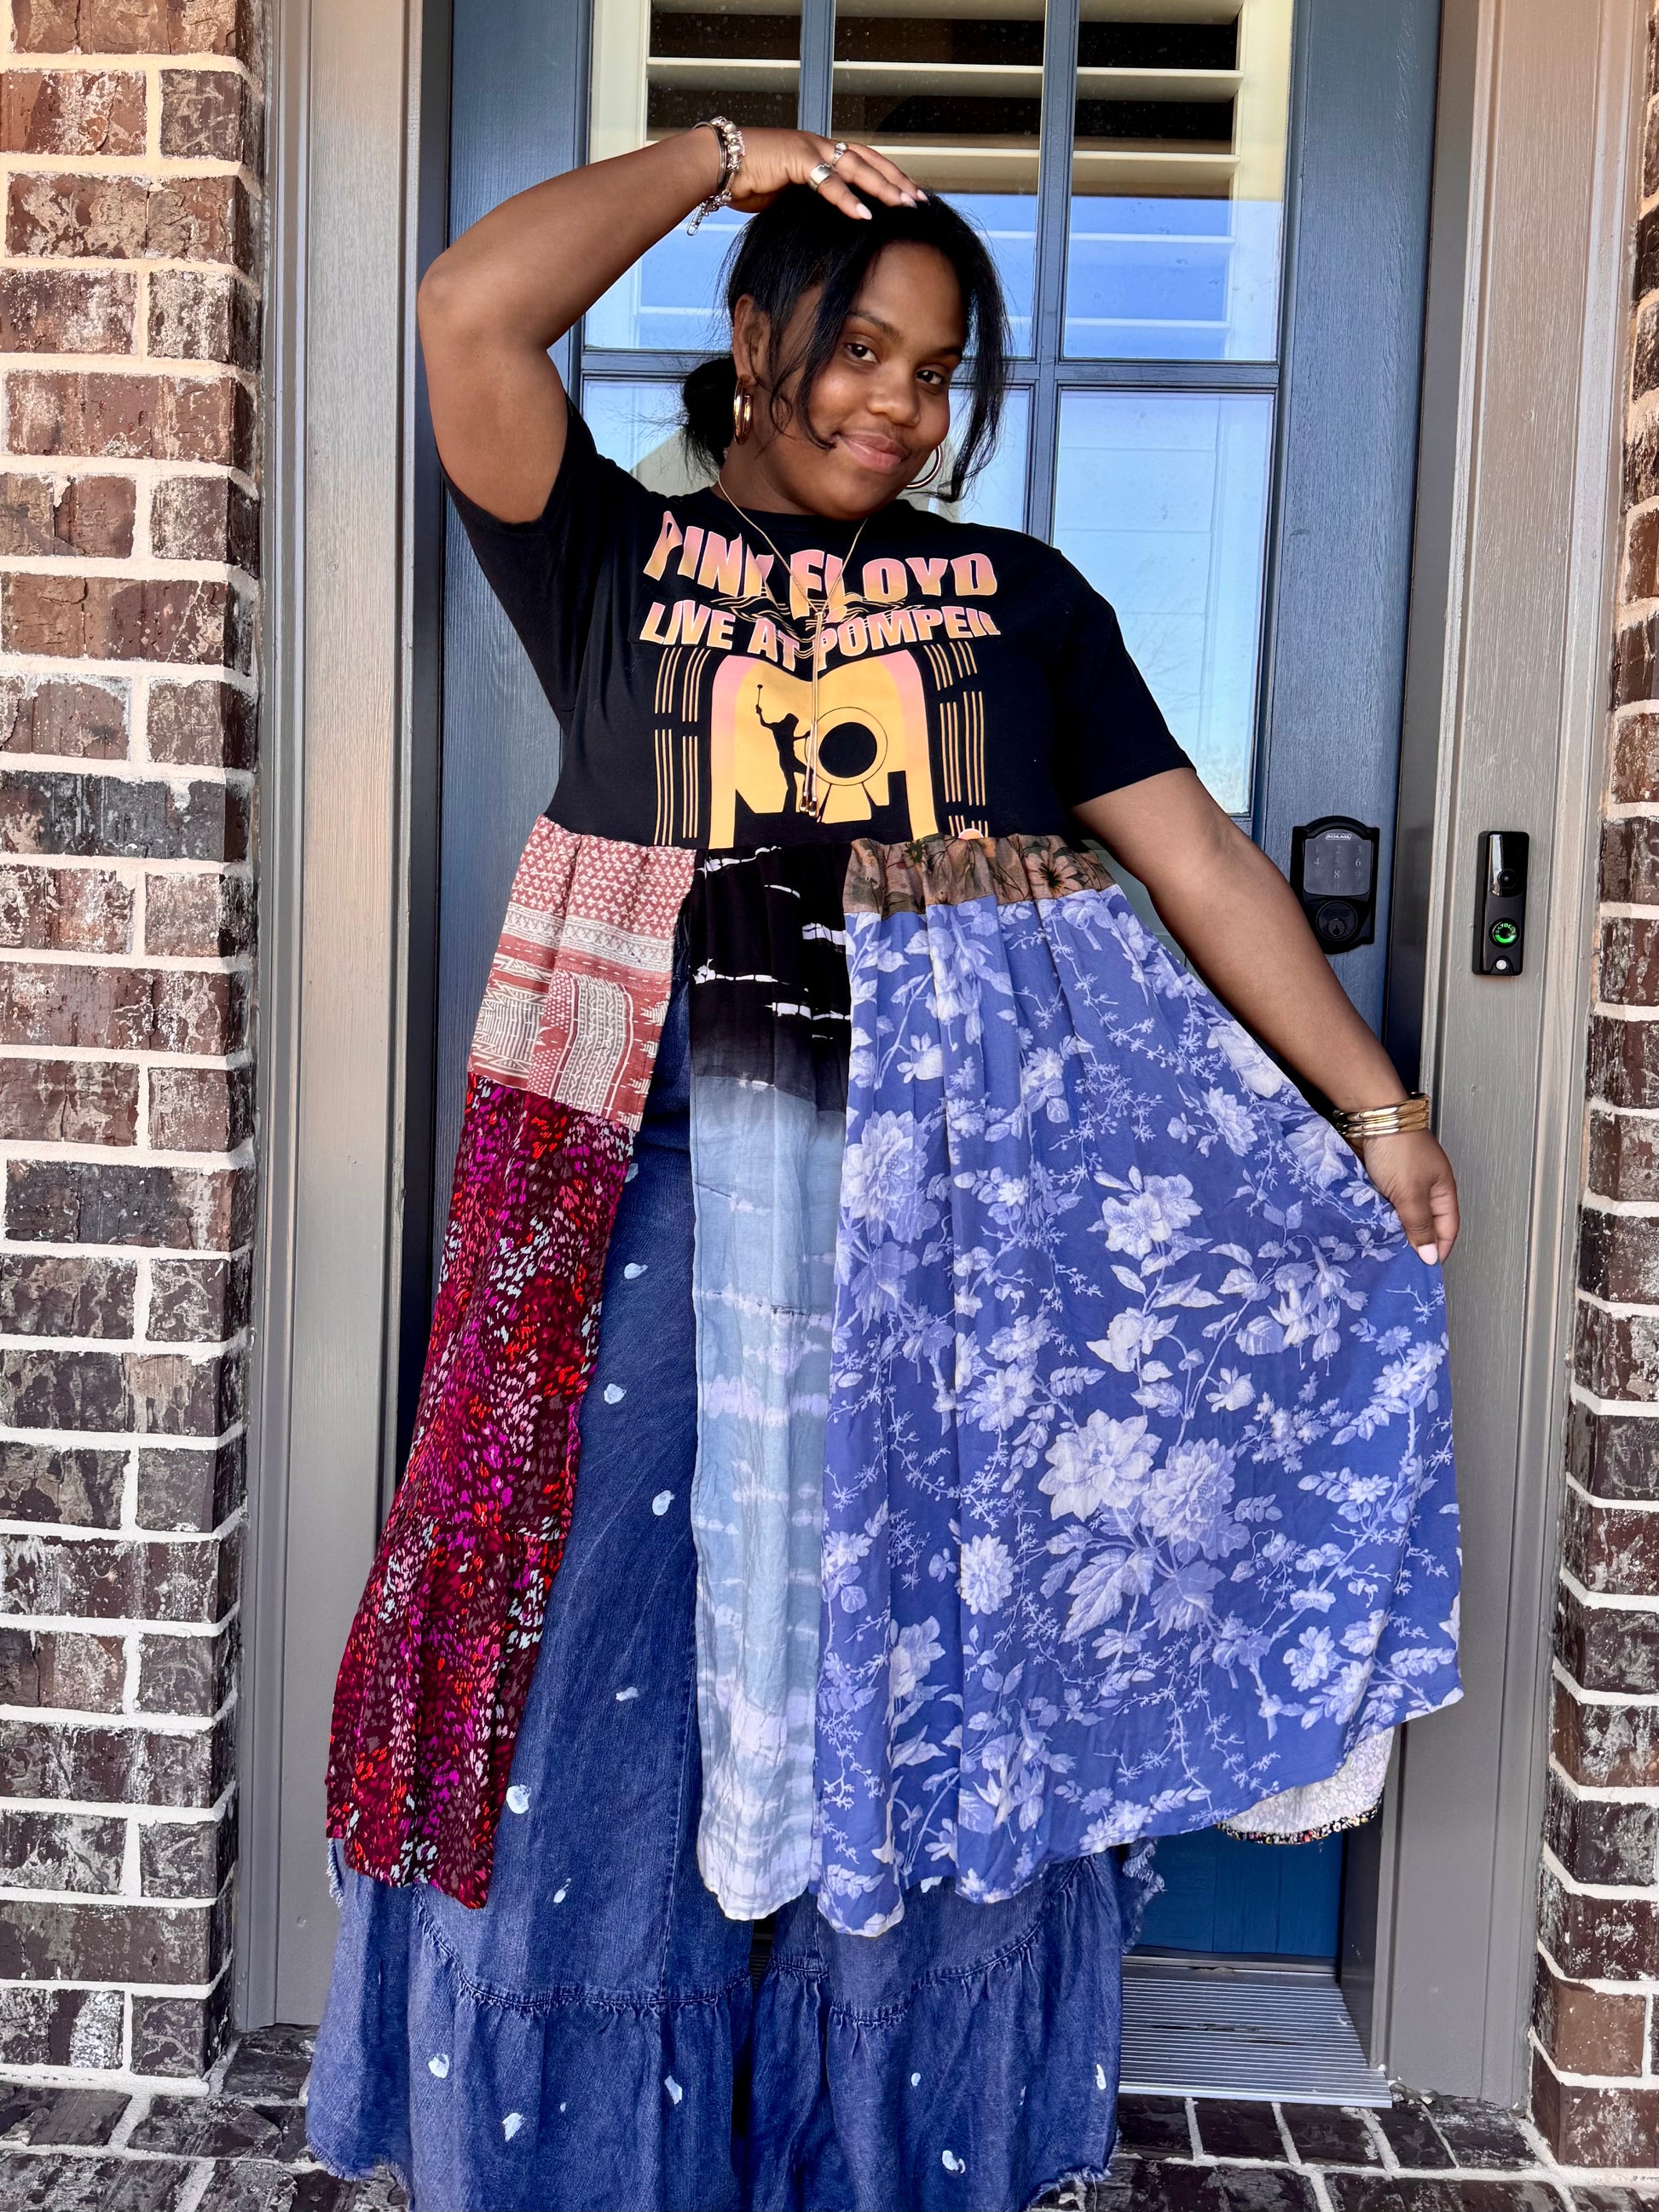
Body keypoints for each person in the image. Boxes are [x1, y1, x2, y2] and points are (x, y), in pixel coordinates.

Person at [306, 121, 1462, 2212]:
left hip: (961, 1248)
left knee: (927, 1683)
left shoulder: (1019, 601)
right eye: (861, 351)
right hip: (643, 1217)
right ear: (758, 342)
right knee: (595, 1679)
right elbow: (470, 306)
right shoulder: (608, 555)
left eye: (936, 374)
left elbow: (1198, 859)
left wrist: (1371, 1108)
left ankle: (886, 2149)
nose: (898, 407)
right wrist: (722, 159)